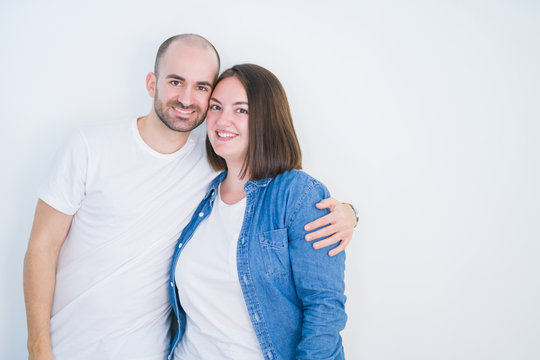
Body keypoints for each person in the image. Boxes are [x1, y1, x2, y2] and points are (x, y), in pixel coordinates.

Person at [23, 34, 357, 360]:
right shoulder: (97, 147)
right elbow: (41, 247)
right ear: (152, 83)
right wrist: (37, 348)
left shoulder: (256, 180)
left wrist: (349, 213)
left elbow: (324, 309)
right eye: (176, 82)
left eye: (201, 88)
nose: (187, 98)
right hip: (77, 345)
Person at [168, 64, 347, 360]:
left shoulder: (296, 193)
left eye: (242, 110)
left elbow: (324, 309)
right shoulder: (202, 195)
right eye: (216, 107)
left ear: (267, 119)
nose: (223, 120)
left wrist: (351, 213)